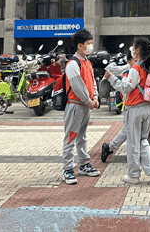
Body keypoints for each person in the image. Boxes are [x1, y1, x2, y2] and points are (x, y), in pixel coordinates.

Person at [104, 37, 150, 184]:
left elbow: (126, 88)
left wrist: (111, 78)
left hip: (135, 108)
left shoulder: (136, 68)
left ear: (138, 50)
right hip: (148, 107)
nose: (132, 50)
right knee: (144, 140)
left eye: (133, 47)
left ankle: (134, 175)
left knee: (133, 143)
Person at [62, 29, 101, 185]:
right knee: (70, 138)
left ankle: (84, 164)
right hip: (75, 106)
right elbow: (77, 86)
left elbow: (92, 82)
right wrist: (88, 100)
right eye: (88, 43)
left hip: (85, 105)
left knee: (82, 137)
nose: (91, 46)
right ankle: (68, 169)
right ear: (80, 45)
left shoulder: (87, 62)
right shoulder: (73, 64)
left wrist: (95, 97)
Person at [101, 47, 136, 163]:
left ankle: (111, 147)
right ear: (129, 61)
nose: (138, 62)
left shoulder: (141, 70)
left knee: (133, 130)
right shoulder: (127, 72)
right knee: (128, 130)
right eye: (135, 60)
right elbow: (123, 88)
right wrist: (111, 77)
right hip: (130, 106)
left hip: (139, 106)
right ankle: (110, 147)